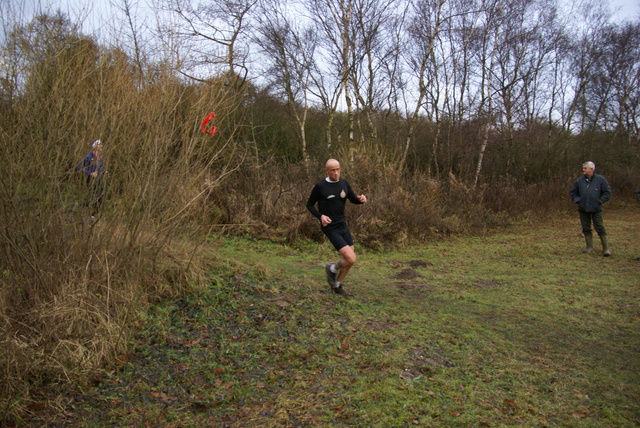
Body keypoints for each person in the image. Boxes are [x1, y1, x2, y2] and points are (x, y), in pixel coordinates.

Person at [306, 159, 367, 295]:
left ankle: (337, 286)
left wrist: (361, 199)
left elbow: (353, 199)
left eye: (338, 169)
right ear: (326, 171)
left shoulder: (344, 183)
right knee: (350, 258)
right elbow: (309, 205)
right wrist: (320, 216)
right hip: (330, 227)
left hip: (342, 224)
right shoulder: (320, 186)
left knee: (350, 260)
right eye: (332, 170)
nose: (336, 173)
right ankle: (332, 268)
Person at [570, 161, 612, 256]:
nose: (583, 170)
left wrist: (600, 201)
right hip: (583, 208)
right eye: (583, 168)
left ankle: (606, 249)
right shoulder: (579, 181)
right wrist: (578, 201)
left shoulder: (601, 180)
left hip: (596, 208)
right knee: (586, 228)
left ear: (591, 169)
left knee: (599, 227)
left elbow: (607, 193)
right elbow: (573, 192)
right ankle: (589, 247)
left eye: (585, 168)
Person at [77, 139, 106, 221]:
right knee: (93, 197)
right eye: (100, 145)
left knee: (101, 195)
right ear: (96, 146)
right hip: (89, 178)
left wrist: (104, 171)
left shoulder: (100, 157)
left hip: (97, 178)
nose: (101, 146)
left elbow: (100, 167)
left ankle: (94, 214)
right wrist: (90, 173)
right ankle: (79, 206)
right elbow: (80, 167)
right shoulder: (88, 156)